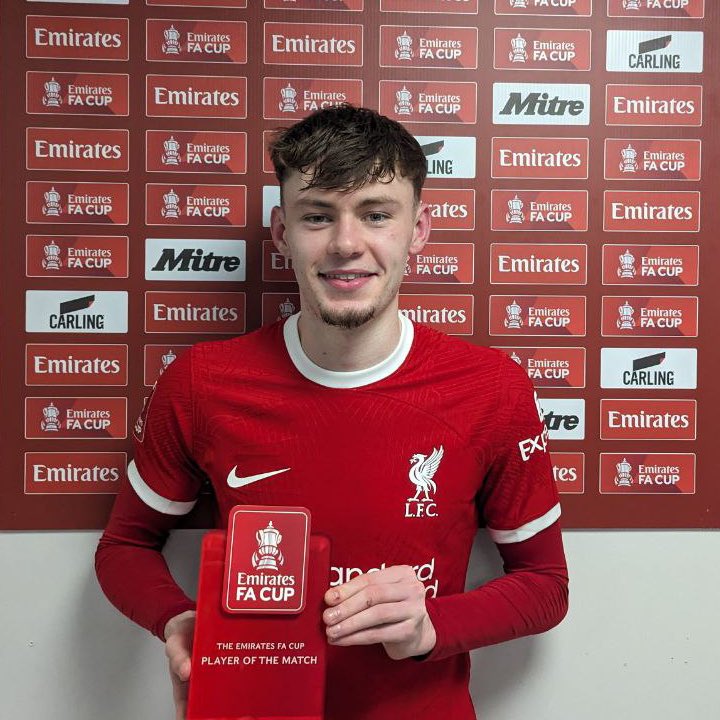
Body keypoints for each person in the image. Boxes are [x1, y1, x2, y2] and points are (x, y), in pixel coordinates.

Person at [96, 105, 569, 720]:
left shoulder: (490, 389)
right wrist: (179, 619)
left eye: (376, 214)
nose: (346, 244)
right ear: (281, 231)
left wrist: (430, 626)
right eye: (317, 215)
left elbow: (545, 585)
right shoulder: (201, 382)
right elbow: (126, 545)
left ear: (418, 231)